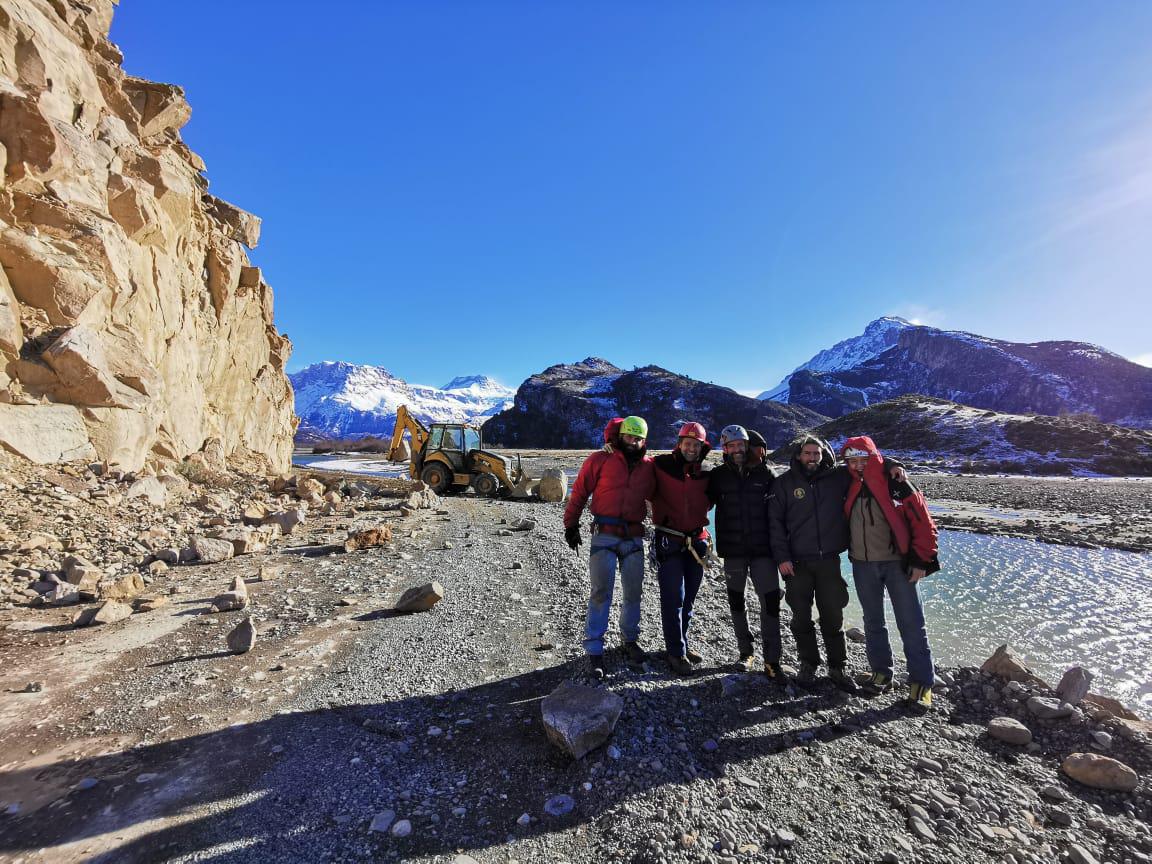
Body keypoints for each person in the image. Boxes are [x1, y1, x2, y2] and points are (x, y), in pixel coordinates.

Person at [768, 435, 908, 692]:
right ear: (798, 455)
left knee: (833, 616)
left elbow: (866, 463)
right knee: (801, 618)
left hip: (829, 561)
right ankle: (808, 664)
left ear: (823, 455)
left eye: (816, 453)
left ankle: (837, 667)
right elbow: (774, 524)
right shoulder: (784, 483)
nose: (812, 457)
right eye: (807, 453)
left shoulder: (838, 477)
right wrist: (782, 558)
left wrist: (892, 464)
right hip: (796, 563)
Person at [841, 436, 940, 710]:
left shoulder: (897, 482)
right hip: (862, 564)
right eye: (852, 460)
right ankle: (882, 674)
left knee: (911, 623)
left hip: (898, 564)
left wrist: (921, 561)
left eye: (863, 459)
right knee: (873, 622)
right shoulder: (848, 483)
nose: (858, 465)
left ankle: (922, 684)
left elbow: (924, 523)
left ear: (873, 457)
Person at [563, 416, 655, 680]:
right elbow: (580, 492)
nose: (633, 442)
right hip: (604, 534)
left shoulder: (649, 467)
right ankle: (594, 649)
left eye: (638, 439)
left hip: (633, 536)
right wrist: (571, 525)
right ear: (620, 436)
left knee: (633, 593)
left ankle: (629, 639)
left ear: (644, 441)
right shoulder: (600, 460)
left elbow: (662, 496)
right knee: (600, 593)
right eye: (629, 437)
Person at [708, 425, 786, 679]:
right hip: (733, 551)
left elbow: (783, 510)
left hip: (763, 550)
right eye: (731, 446)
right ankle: (746, 652)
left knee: (770, 602)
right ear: (725, 448)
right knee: (736, 600)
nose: (737, 450)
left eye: (740, 445)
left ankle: (772, 660)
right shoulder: (718, 476)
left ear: (747, 445)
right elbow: (699, 502)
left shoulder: (767, 474)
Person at [649, 422, 714, 676]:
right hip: (670, 540)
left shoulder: (707, 473)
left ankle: (681, 644)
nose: (691, 448)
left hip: (697, 542)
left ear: (702, 447)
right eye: (687, 443)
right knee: (673, 598)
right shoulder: (660, 465)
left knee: (689, 599)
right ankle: (675, 653)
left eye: (696, 445)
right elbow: (633, 471)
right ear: (679, 444)